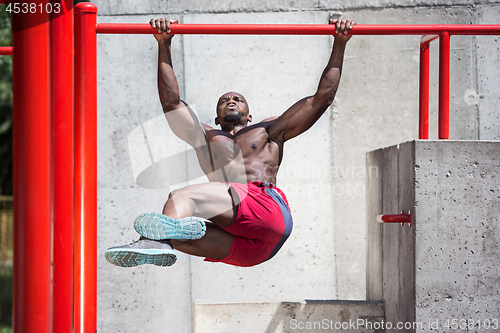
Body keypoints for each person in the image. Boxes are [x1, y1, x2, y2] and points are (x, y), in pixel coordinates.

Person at [105, 18, 356, 268]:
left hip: (266, 211)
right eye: (224, 100)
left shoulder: (269, 130)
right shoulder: (205, 137)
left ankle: (151, 242)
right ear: (216, 117)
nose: (231, 100)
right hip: (251, 250)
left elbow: (322, 99)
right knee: (177, 237)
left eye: (238, 99)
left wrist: (340, 43)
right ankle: (160, 245)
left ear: (249, 116)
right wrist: (164, 44)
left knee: (181, 197)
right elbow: (172, 105)